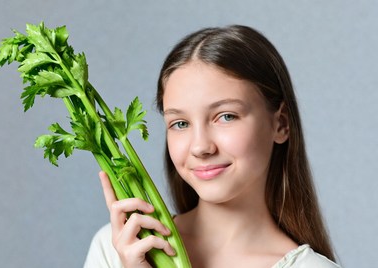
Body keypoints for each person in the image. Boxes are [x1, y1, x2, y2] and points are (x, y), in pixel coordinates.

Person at [84, 25, 340, 268]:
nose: (200, 147)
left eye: (226, 116)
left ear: (281, 124)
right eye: (180, 123)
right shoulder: (118, 249)